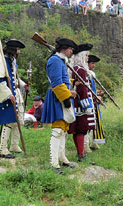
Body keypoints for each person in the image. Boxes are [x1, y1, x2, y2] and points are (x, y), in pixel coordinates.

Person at [41, 37, 78, 174]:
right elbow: (56, 83)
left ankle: (62, 158)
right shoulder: (55, 61)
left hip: (63, 95)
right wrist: (68, 96)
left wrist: (72, 83)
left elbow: (63, 79)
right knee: (57, 131)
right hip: (58, 96)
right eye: (70, 49)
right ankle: (54, 163)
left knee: (63, 130)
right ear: (64, 49)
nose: (71, 52)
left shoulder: (60, 61)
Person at [0, 39, 28, 159]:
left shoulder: (13, 62)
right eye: (18, 50)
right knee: (8, 121)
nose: (19, 52)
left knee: (19, 121)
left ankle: (14, 145)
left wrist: (23, 85)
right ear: (13, 50)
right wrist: (8, 94)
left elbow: (15, 78)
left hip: (16, 95)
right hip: (7, 95)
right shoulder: (2, 62)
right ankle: (3, 149)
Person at [68, 43, 96, 161]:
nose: (87, 58)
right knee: (81, 129)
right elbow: (82, 89)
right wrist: (86, 104)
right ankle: (81, 154)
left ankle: (81, 152)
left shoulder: (75, 69)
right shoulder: (81, 70)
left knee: (77, 129)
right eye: (86, 56)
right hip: (81, 103)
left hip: (76, 103)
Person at [84, 55, 105, 153]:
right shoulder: (84, 75)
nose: (94, 65)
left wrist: (97, 92)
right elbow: (85, 91)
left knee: (95, 123)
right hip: (88, 102)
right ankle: (85, 145)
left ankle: (94, 142)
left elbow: (91, 89)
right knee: (88, 124)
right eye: (92, 63)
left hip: (93, 102)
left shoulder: (91, 74)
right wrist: (94, 97)